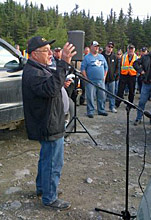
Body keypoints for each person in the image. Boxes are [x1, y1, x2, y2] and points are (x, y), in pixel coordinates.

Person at [22, 36, 76, 210]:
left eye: (50, 50)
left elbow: (52, 86)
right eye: (46, 51)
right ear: (33, 54)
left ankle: (43, 189)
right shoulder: (33, 72)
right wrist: (64, 63)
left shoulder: (39, 67)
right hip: (48, 123)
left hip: (49, 120)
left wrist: (61, 81)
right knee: (53, 161)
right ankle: (49, 197)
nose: (50, 53)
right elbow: (50, 89)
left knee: (46, 158)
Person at [81, 41, 108, 118]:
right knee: (90, 97)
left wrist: (104, 76)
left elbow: (106, 67)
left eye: (97, 46)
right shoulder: (87, 57)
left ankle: (101, 110)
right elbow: (83, 68)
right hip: (90, 81)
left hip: (101, 81)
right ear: (91, 47)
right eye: (95, 46)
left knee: (102, 96)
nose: (97, 48)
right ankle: (90, 111)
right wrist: (86, 78)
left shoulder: (101, 57)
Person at [102, 41, 119, 113]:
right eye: (109, 46)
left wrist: (114, 76)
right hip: (103, 79)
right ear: (106, 47)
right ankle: (102, 108)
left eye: (112, 47)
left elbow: (117, 67)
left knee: (112, 94)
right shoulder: (101, 56)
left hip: (112, 79)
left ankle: (112, 107)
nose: (110, 48)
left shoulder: (114, 57)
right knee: (103, 95)